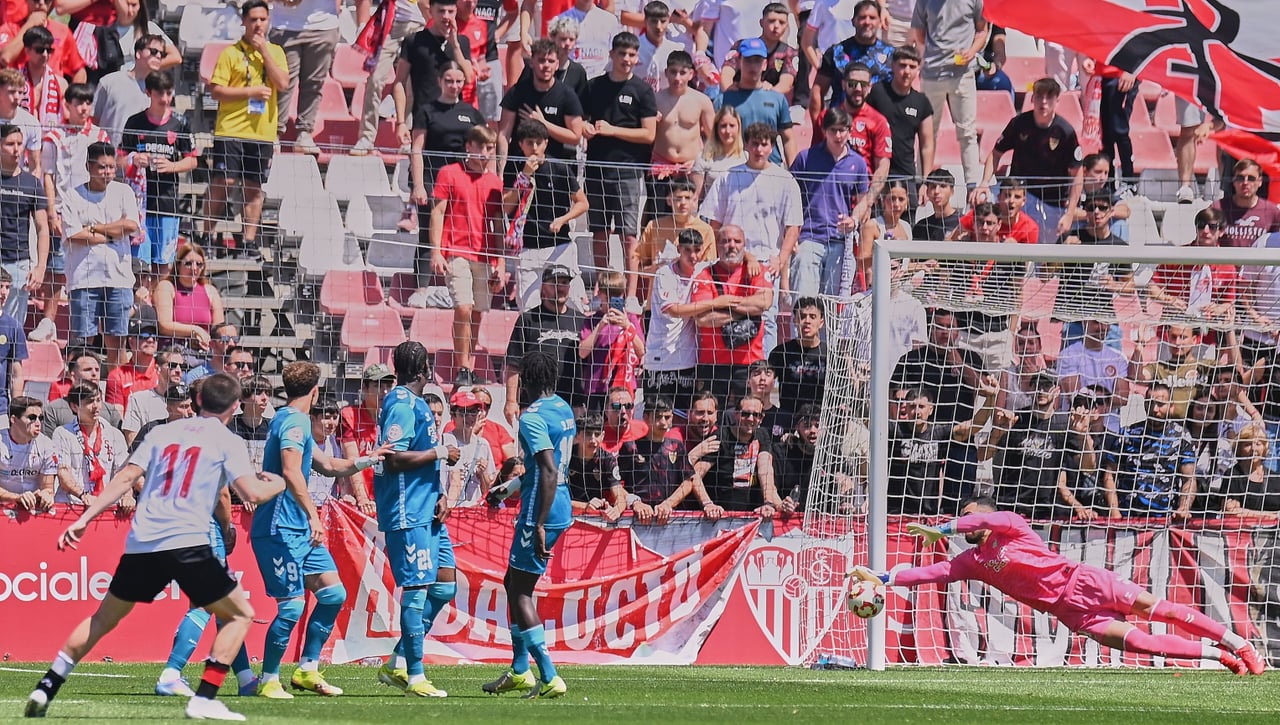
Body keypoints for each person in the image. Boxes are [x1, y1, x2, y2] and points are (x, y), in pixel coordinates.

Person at [23, 374, 286, 721]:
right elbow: (250, 492)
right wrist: (278, 483)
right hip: (188, 539)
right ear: (235, 406)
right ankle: (205, 697)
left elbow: (126, 477)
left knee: (102, 620)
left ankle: (47, 686)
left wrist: (85, 517)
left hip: (144, 541)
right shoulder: (227, 440)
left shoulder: (162, 433)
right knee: (240, 613)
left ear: (198, 402)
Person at [852, 497, 1267, 674]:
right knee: (1141, 644)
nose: (969, 522)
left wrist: (942, 526)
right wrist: (884, 578)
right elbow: (930, 574)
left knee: (1165, 611)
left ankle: (1239, 643)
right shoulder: (970, 562)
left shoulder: (1010, 526)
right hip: (1070, 612)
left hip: (1086, 582)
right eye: (964, 519)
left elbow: (986, 521)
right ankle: (1217, 655)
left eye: (971, 515)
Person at [249, 361, 388, 699]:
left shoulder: (289, 419)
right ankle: (268, 679)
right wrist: (313, 516)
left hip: (297, 529)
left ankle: (307, 669)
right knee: (293, 608)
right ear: (314, 391)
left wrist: (370, 458)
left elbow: (326, 466)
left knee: (333, 594)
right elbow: (292, 471)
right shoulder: (295, 421)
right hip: (280, 527)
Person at [482, 350, 574, 698]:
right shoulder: (563, 408)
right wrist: (507, 489)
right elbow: (544, 469)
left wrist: (536, 523)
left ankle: (549, 676)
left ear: (527, 382)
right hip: (559, 500)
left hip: (542, 507)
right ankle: (520, 670)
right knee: (512, 582)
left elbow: (547, 470)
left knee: (521, 591)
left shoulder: (531, 418)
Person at [372, 341, 461, 697]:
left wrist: (439, 493)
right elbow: (392, 459)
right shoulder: (402, 404)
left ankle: (396, 661)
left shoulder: (417, 403)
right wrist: (441, 451)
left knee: (444, 585)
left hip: (428, 509)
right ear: (425, 368)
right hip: (408, 513)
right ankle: (415, 676)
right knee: (416, 592)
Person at [699, 125, 799, 350]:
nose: (759, 149)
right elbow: (713, 224)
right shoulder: (728, 176)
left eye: (764, 144)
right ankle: (735, 374)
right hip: (731, 261)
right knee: (729, 317)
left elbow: (793, 227)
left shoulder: (784, 180)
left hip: (766, 262)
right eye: (754, 143)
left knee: (767, 319)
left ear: (772, 146)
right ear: (746, 145)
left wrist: (780, 259)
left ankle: (765, 373)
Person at [202, 0, 289, 256]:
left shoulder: (276, 51)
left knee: (253, 187)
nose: (258, 25)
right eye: (253, 20)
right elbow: (216, 91)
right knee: (224, 182)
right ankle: (207, 234)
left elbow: (282, 83)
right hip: (231, 129)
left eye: (263, 19)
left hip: (261, 132)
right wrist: (249, 91)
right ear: (244, 22)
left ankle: (248, 241)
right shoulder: (230, 53)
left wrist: (265, 53)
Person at [430, 124, 502, 388]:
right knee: (463, 306)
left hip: (484, 255)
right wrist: (436, 250)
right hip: (455, 250)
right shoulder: (449, 173)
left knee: (478, 313)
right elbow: (437, 212)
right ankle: (462, 366)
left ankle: (469, 368)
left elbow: (498, 224)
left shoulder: (494, 182)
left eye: (489, 148)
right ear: (468, 146)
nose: (484, 153)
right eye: (480, 146)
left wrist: (501, 262)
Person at [36, 82, 108, 343]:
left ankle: (90, 332)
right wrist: (53, 211)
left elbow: (107, 174)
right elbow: (48, 176)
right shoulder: (54, 137)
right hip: (63, 214)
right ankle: (48, 321)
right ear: (66, 105)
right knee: (57, 269)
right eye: (78, 102)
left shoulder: (99, 136)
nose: (84, 108)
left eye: (88, 102)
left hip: (92, 214)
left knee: (90, 271)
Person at [582, 32, 658, 277]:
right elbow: (580, 120)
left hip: (628, 170)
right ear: (611, 54)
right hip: (596, 169)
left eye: (632, 55)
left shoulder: (643, 90)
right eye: (622, 54)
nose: (626, 59)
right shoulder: (594, 86)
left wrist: (613, 130)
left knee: (629, 234)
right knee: (600, 231)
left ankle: (631, 290)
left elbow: (649, 134)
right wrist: (584, 127)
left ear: (637, 58)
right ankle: (601, 286)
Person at [974, 78, 1085, 246]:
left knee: (1046, 256)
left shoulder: (1065, 132)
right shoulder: (1019, 123)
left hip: (1052, 202)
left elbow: (1077, 173)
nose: (1044, 102)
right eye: (1039, 96)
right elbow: (996, 153)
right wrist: (984, 182)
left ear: (1057, 101)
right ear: (1032, 98)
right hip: (1020, 198)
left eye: (1049, 97)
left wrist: (1069, 213)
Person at [60, 140, 139, 369]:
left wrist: (94, 228)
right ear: (89, 166)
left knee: (117, 340)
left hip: (119, 277)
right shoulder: (73, 196)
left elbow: (131, 225)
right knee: (83, 341)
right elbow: (73, 234)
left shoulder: (124, 192)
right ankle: (82, 386)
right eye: (102, 167)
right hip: (84, 278)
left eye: (111, 167)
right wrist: (114, 232)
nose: (107, 172)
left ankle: (112, 387)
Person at [503, 118, 589, 312]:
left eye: (538, 142)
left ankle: (575, 340)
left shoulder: (559, 168)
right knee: (528, 306)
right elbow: (506, 207)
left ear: (546, 143)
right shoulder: (513, 167)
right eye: (529, 143)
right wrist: (523, 177)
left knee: (572, 301)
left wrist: (563, 219)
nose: (534, 147)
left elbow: (583, 203)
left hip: (560, 246)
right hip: (528, 247)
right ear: (520, 144)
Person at [119, 71, 196, 284]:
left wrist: (171, 166)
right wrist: (134, 159)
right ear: (148, 93)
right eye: (159, 93)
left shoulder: (180, 123)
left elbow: (193, 160)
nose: (164, 99)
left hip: (167, 203)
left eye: (169, 93)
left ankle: (158, 308)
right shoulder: (135, 122)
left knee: (163, 263)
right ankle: (142, 310)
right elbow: (119, 159)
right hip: (139, 205)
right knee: (141, 264)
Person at [789, 107, 869, 297]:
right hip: (808, 238)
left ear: (850, 131)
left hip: (839, 242)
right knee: (803, 303)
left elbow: (863, 200)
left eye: (842, 130)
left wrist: (854, 220)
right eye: (833, 130)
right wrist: (791, 233)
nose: (838, 135)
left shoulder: (858, 163)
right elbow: (789, 195)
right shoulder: (805, 158)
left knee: (831, 309)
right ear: (824, 131)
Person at [690, 224, 773, 404]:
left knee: (747, 420)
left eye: (737, 241)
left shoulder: (756, 270)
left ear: (744, 245)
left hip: (750, 363)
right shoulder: (704, 275)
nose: (731, 245)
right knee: (710, 419)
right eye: (726, 241)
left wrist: (725, 305)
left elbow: (764, 302)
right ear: (717, 246)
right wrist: (746, 312)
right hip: (713, 363)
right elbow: (702, 319)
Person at [887, 380, 996, 516]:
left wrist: (990, 399)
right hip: (897, 512)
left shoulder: (939, 433)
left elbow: (974, 426)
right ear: (906, 409)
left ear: (930, 409)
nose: (917, 412)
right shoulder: (894, 430)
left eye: (921, 407)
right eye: (912, 407)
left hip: (928, 513)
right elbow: (868, 420)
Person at [909, 0, 988, 189]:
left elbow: (982, 31)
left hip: (963, 73)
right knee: (928, 132)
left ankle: (972, 185)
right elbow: (919, 33)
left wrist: (971, 52)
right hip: (931, 73)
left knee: (967, 131)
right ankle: (924, 183)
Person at [392, 0, 475, 163]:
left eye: (451, 12)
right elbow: (399, 82)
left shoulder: (462, 42)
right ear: (431, 11)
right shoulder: (414, 41)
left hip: (455, 122)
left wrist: (455, 46)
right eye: (441, 11)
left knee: (455, 178)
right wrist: (401, 122)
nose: (446, 17)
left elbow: (470, 77)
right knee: (423, 176)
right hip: (425, 121)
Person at [502, 264, 586, 423]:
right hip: (534, 406)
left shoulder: (580, 320)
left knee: (572, 449)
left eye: (564, 283)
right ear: (543, 287)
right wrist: (511, 401)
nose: (560, 288)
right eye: (555, 283)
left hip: (572, 407)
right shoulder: (528, 319)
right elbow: (513, 364)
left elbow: (590, 364)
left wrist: (583, 402)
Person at [642, 227, 713, 413]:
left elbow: (733, 256)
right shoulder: (665, 274)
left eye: (697, 250)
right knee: (656, 417)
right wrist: (716, 302)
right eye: (687, 250)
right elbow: (674, 310)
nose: (693, 255)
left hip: (687, 361)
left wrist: (750, 258)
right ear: (679, 249)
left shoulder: (703, 269)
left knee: (682, 418)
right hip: (660, 358)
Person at [409, 62, 484, 236]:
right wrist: (419, 185)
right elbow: (417, 149)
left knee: (457, 232)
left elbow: (488, 146)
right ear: (439, 81)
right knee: (429, 233)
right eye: (449, 81)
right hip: (433, 175)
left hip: (462, 177)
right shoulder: (426, 111)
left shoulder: (472, 113)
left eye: (459, 81)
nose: (454, 86)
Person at [1102, 382, 1197, 520]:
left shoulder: (1181, 437)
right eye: (1150, 403)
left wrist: (1184, 507)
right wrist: (1115, 511)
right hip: (1128, 518)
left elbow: (1189, 479)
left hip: (1164, 519)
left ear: (1171, 406)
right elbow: (1109, 474)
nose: (1154, 409)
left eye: (1160, 404)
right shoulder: (1129, 434)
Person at [350, 0, 426, 156]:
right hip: (392, 23)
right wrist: (361, 23)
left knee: (413, 84)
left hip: (420, 23)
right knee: (375, 79)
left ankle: (408, 138)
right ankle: (366, 138)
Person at [648, 50, 714, 225]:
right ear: (666, 73)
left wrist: (703, 164)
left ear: (691, 74)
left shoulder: (702, 100)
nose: (678, 78)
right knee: (657, 220)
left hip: (691, 170)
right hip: (661, 169)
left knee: (689, 221)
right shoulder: (654, 99)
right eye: (673, 72)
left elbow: (714, 138)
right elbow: (646, 134)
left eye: (683, 72)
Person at [499, 36, 585, 167]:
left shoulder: (567, 95)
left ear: (557, 65)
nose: (546, 65)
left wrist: (543, 123)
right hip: (518, 165)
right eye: (541, 60)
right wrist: (501, 169)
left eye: (551, 61)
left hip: (553, 168)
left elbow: (575, 137)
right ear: (531, 63)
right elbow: (503, 135)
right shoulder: (517, 92)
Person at [269, 0, 341, 156]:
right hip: (284, 25)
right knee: (282, 84)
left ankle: (305, 133)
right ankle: (274, 133)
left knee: (314, 85)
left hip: (323, 25)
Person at [691, 394, 783, 515]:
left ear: (762, 418)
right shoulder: (721, 436)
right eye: (745, 414)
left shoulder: (762, 435)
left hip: (752, 515)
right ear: (736, 414)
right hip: (720, 515)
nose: (751, 419)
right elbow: (695, 474)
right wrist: (707, 504)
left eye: (756, 415)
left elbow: (765, 470)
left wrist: (769, 502)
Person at [806, 0, 893, 123]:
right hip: (841, 127)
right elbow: (817, 92)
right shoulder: (836, 52)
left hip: (878, 127)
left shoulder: (891, 55)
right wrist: (819, 129)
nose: (867, 22)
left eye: (872, 18)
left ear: (880, 22)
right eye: (862, 17)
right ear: (853, 21)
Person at [632, 175, 714, 304]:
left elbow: (709, 271)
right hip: (657, 302)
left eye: (687, 198)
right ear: (669, 200)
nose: (683, 203)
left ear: (695, 200)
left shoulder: (706, 230)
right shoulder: (654, 226)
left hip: (691, 302)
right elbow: (639, 267)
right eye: (678, 198)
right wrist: (657, 269)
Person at [867, 45, 936, 197]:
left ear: (918, 69)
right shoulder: (877, 92)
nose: (907, 71)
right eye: (902, 65)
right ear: (893, 66)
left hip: (906, 176)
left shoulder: (921, 102)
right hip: (875, 173)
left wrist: (925, 182)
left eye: (912, 66)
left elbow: (927, 145)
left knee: (906, 221)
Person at [715, 37, 795, 166]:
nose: (752, 66)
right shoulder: (723, 100)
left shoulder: (777, 99)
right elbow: (712, 138)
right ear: (739, 62)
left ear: (764, 64)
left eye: (757, 61)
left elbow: (788, 138)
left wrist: (794, 172)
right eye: (748, 60)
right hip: (733, 169)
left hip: (771, 170)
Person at [616, 396, 696, 519]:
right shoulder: (631, 447)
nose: (663, 422)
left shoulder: (676, 446)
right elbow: (615, 483)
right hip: (635, 517)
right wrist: (635, 503)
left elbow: (688, 481)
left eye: (667, 417)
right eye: (658, 417)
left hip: (668, 517)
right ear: (646, 417)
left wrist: (669, 503)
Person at [0, 123, 47, 325]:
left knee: (11, 329)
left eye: (20, 144)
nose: (16, 149)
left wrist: (40, 267)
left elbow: (42, 227)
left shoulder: (32, 183)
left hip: (18, 265)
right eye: (10, 144)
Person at [339, 363, 397, 517]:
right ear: (364, 388)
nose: (384, 391)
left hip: (387, 499)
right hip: (359, 502)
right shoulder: (349, 416)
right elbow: (352, 459)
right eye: (377, 385)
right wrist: (362, 499)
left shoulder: (395, 419)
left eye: (388, 386)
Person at [578, 270, 644, 402]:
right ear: (600, 294)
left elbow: (641, 351)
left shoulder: (630, 318)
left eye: (617, 297)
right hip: (597, 387)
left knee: (620, 422)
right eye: (609, 297)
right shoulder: (592, 320)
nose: (613, 301)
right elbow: (582, 353)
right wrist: (600, 326)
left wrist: (627, 326)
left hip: (624, 387)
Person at [152, 242, 224, 357]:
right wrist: (195, 330)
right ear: (178, 265)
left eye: (199, 264)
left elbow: (219, 329)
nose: (194, 268)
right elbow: (164, 326)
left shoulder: (210, 291)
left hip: (204, 353)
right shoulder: (166, 287)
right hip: (173, 353)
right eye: (188, 264)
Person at [91, 34, 163, 147]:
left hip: (139, 159)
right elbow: (94, 121)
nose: (158, 56)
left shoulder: (160, 91)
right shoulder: (109, 82)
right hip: (107, 157)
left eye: (161, 54)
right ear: (138, 53)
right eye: (153, 51)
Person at [769, 296, 827, 423]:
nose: (807, 321)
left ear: (821, 322)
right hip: (788, 421)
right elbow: (765, 385)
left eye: (812, 317)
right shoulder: (780, 353)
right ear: (795, 320)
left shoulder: (830, 355)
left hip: (820, 423)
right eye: (802, 316)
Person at [0, 395, 56, 512]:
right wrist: (17, 498)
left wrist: (46, 495)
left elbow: (48, 487)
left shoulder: (46, 444)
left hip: (32, 507)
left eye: (40, 418)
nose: (38, 423)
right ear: (13, 419)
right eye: (32, 418)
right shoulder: (1, 443)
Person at [121, 345, 185, 447]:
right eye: (172, 365)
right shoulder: (139, 400)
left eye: (183, 367)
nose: (178, 370)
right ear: (157, 368)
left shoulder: (188, 401)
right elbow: (131, 442)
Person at [442, 389, 496, 507]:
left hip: (474, 511)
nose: (470, 417)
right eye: (464, 412)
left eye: (473, 412)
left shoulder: (483, 445)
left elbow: (487, 490)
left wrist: (482, 474)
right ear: (453, 414)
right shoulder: (445, 441)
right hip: (450, 509)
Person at [856, 180, 913, 290]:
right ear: (883, 200)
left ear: (907, 201)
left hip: (901, 289)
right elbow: (861, 263)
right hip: (876, 288)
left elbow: (904, 266)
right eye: (892, 199)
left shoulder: (907, 227)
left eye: (901, 199)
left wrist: (923, 266)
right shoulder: (872, 226)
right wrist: (883, 252)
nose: (896, 204)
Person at [44, 350, 122, 429]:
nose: (94, 373)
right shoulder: (54, 409)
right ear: (73, 376)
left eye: (97, 370)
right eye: (87, 369)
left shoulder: (111, 411)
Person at [1214, 158, 1280, 249]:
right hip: (1225, 261)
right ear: (1234, 180)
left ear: (1260, 181)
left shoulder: (1273, 212)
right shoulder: (1217, 208)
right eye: (1240, 178)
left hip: (1259, 261)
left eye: (1251, 178)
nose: (1245, 182)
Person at [690, 105, 744, 200]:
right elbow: (695, 198)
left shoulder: (746, 158)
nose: (728, 131)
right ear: (716, 129)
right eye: (723, 126)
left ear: (739, 128)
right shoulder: (704, 157)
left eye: (732, 126)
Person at [18, 25, 66, 129]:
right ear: (27, 50)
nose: (45, 54)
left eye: (49, 50)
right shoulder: (14, 82)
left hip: (50, 140)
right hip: (18, 139)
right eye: (39, 50)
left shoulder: (61, 84)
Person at [912, 168, 962, 241]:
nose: (937, 191)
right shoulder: (921, 226)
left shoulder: (961, 223)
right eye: (933, 187)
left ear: (952, 191)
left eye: (943, 186)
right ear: (927, 192)